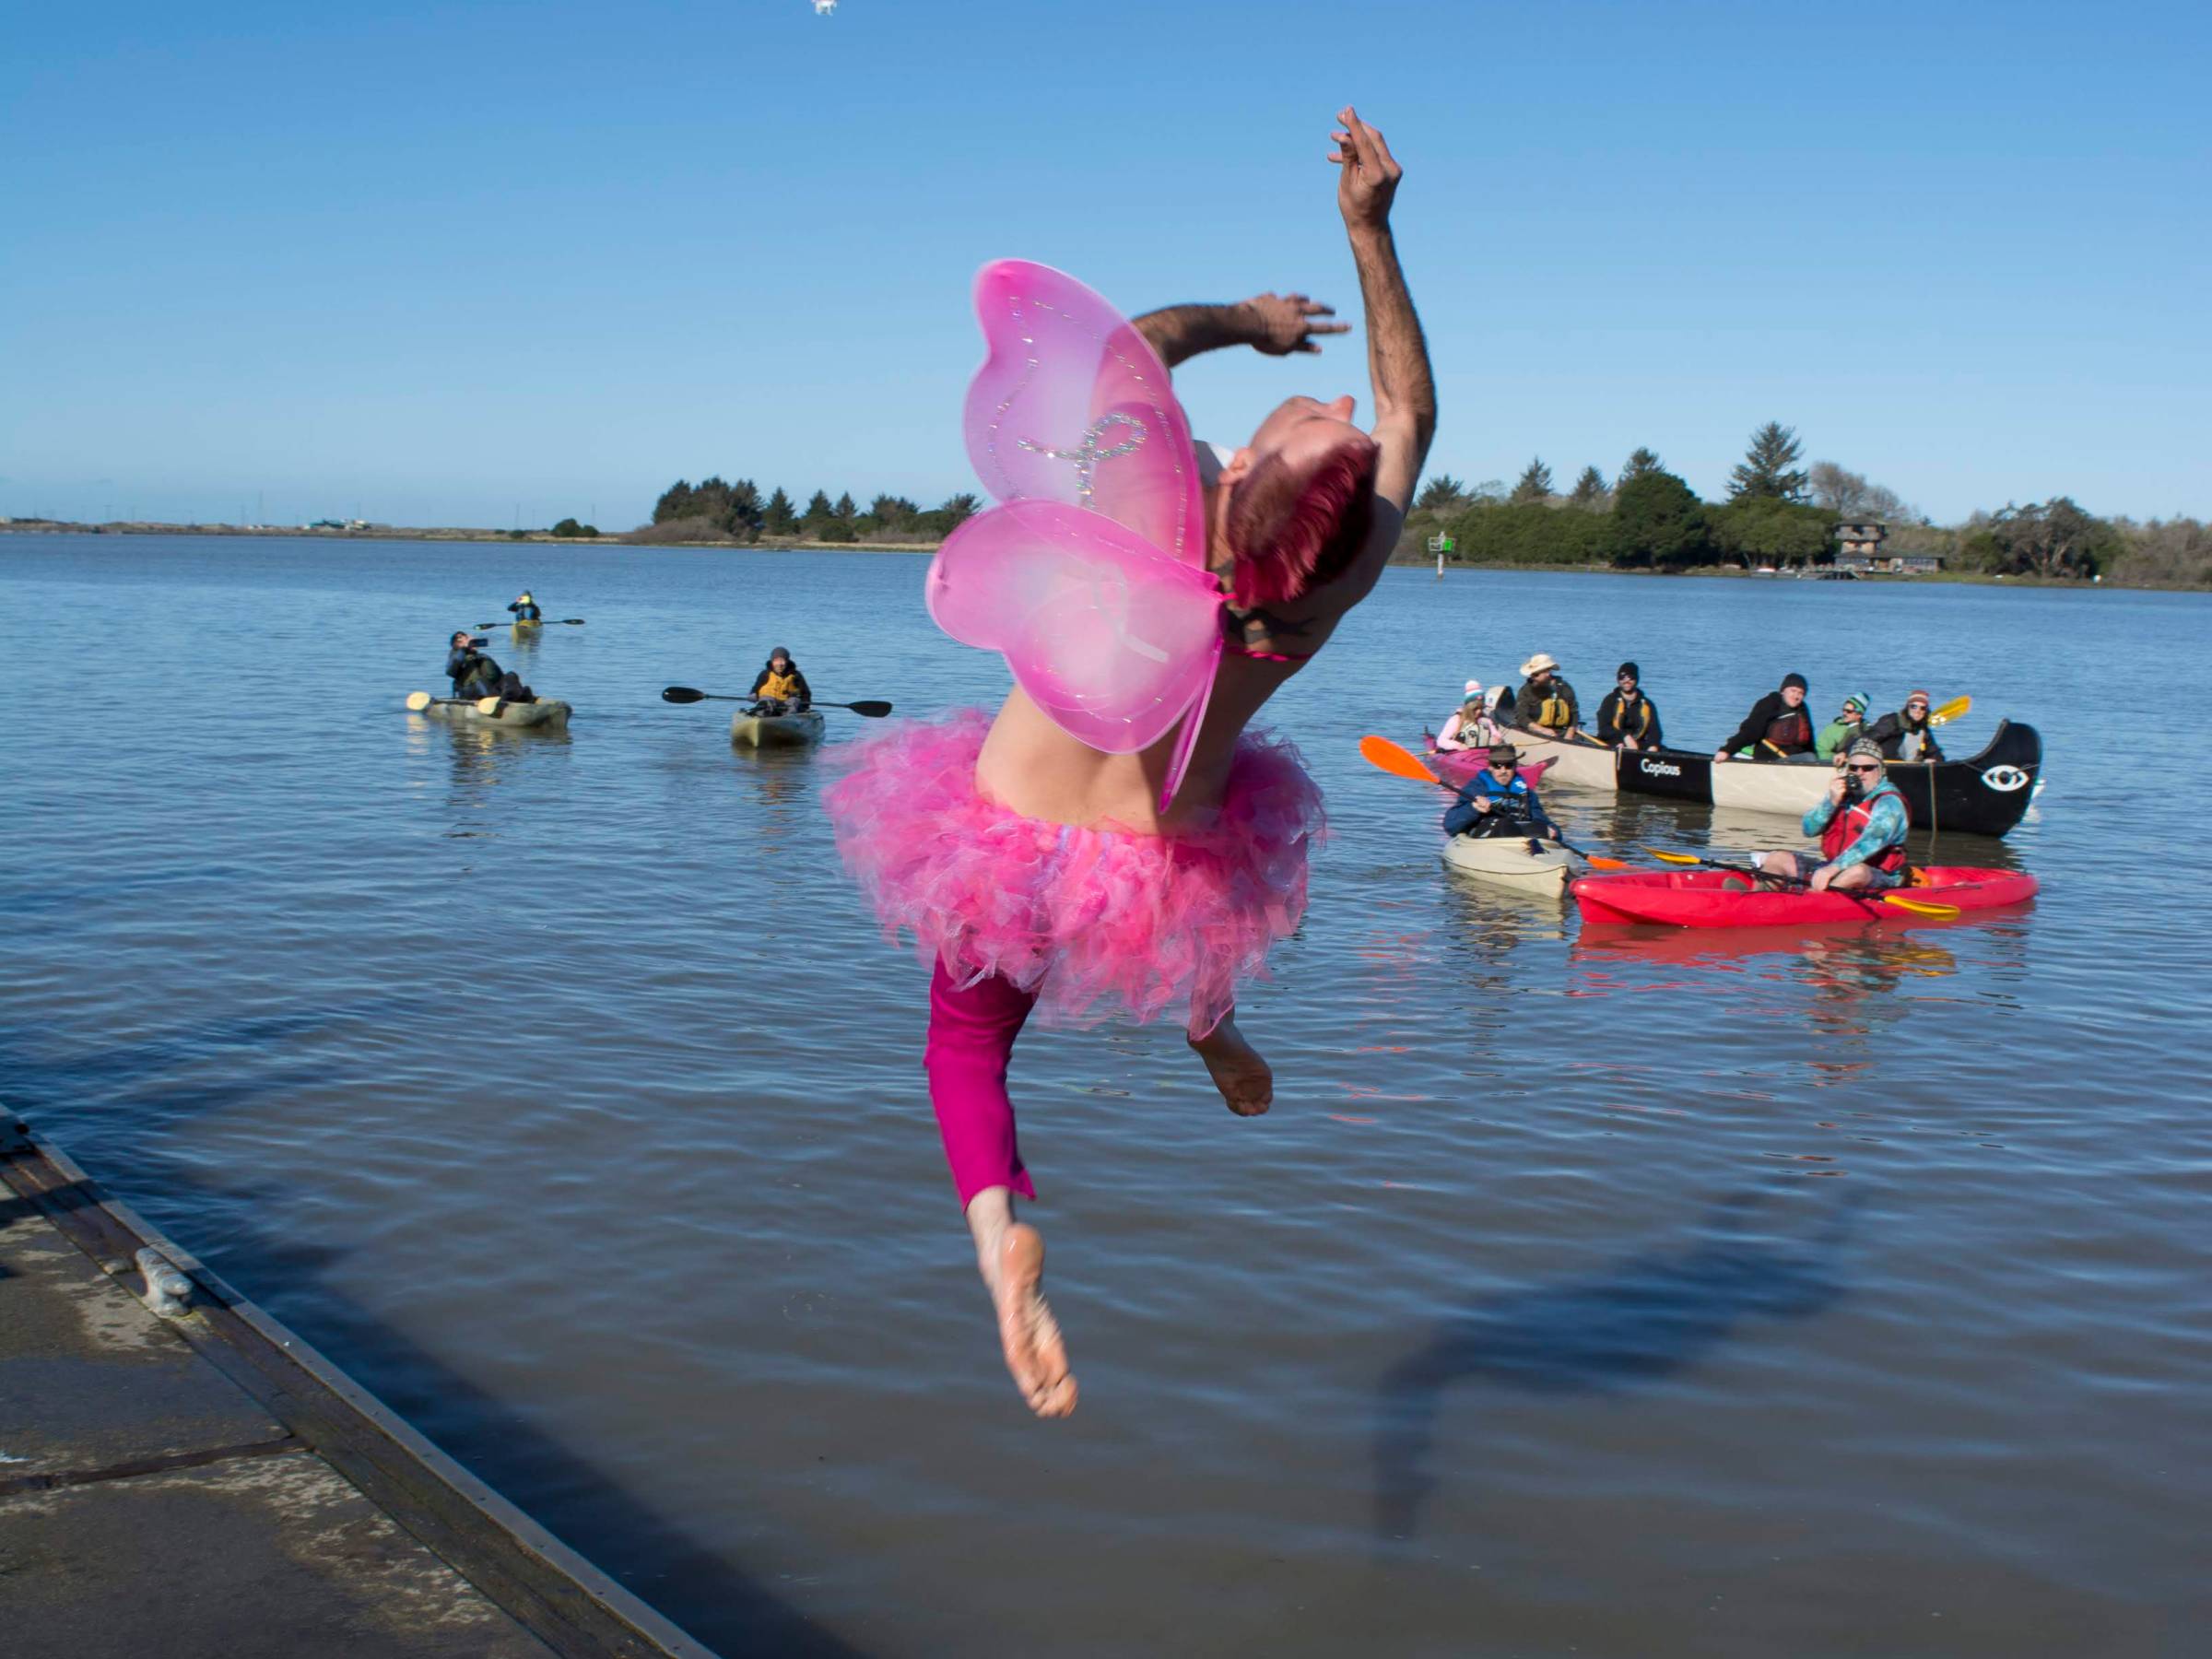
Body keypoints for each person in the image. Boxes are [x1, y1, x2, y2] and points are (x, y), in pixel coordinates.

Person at [823, 107, 1433, 1419]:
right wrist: (1371, 239)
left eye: (1310, 415)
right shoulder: (1319, 603)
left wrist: (1244, 322)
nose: (1333, 400)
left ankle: (1001, 1248)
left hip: (1009, 825)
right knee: (1185, 922)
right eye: (1321, 408)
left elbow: (1132, 348)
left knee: (965, 1044)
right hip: (1161, 849)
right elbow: (1410, 406)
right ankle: (1212, 1030)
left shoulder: (1134, 512)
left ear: (1238, 477)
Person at [1754, 738, 1911, 892]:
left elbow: (1871, 842)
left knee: (1857, 872)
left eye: (1867, 768)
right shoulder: (1842, 795)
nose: (1860, 773)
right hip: (1834, 867)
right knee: (1778, 858)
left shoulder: (1890, 803)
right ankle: (1755, 897)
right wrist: (1831, 802)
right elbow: (1808, 829)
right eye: (1854, 768)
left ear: (1881, 771)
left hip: (1880, 876)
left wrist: (1832, 869)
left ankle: (1808, 903)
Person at [1441, 741, 1559, 841]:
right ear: (1490, 767)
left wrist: (1551, 830)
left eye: (1508, 765)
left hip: (1520, 842)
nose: (1503, 771)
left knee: (1539, 828)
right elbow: (1450, 826)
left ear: (1515, 766)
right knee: (1504, 826)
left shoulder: (1527, 793)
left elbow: (1541, 820)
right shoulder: (1475, 788)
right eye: (1497, 766)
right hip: (1487, 841)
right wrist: (1473, 808)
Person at [1716, 671, 1818, 763]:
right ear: (1783, 691)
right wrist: (1727, 750)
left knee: (1812, 757)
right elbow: (1749, 732)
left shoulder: (1802, 709)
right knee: (1810, 758)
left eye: (1800, 693)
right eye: (1793, 690)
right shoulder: (1770, 704)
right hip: (1770, 761)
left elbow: (1810, 743)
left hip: (1795, 762)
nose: (1796, 696)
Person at [444, 630, 533, 703]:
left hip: (493, 690)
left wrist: (507, 683)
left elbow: (499, 675)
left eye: (471, 639)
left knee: (511, 675)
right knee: (481, 682)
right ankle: (500, 701)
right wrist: (464, 649)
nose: (472, 641)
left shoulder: (482, 656)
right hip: (473, 691)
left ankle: (517, 697)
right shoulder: (455, 655)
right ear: (457, 643)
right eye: (466, 639)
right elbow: (450, 671)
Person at [1594, 661, 1663, 750]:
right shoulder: (1609, 700)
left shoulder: (1648, 704)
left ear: (1637, 679)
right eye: (1622, 677)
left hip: (1638, 745)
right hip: (1613, 742)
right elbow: (1604, 729)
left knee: (1659, 748)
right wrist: (1624, 737)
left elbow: (1655, 732)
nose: (1626, 681)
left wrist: (1653, 746)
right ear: (1618, 679)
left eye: (1630, 677)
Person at [1865, 689, 1947, 762]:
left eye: (1922, 708)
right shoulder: (1892, 721)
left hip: (1909, 770)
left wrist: (1934, 759)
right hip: (1885, 767)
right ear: (1907, 707)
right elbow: (1867, 739)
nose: (1917, 711)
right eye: (1914, 706)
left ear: (1926, 711)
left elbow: (1935, 752)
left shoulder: (1923, 730)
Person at [1511, 653, 1579, 738]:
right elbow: (1521, 717)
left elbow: (1574, 714)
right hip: (1534, 731)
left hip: (1561, 732)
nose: (1532, 677)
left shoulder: (1565, 688)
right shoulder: (1526, 690)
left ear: (1547, 672)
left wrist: (1569, 735)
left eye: (1535, 674)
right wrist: (1542, 730)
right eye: (1531, 674)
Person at [1434, 680, 1502, 751]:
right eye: (1475, 708)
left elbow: (1497, 735)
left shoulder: (1486, 721)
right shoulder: (1456, 719)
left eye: (1481, 708)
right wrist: (1458, 745)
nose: (1479, 711)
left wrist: (1497, 739)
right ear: (1468, 707)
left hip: (1482, 755)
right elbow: (1441, 741)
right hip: (1462, 755)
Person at [748, 646, 813, 715]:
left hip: (786, 706)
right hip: (769, 706)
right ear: (772, 661)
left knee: (794, 701)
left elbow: (806, 694)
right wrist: (753, 695)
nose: (779, 664)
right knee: (766, 700)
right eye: (776, 660)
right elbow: (755, 689)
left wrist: (805, 706)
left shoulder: (796, 675)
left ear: (787, 661)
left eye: (782, 660)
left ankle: (789, 719)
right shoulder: (765, 674)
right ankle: (762, 717)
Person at [1816, 691, 1871, 760]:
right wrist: (1837, 757)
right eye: (1843, 710)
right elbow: (1820, 752)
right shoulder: (1833, 729)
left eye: (1849, 711)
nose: (1844, 713)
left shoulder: (1868, 728)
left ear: (1859, 714)